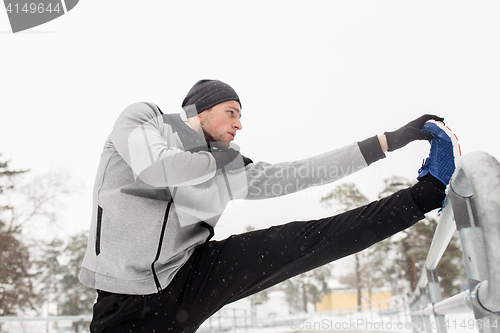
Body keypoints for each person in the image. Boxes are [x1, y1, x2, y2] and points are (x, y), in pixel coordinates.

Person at [80, 79, 460, 333]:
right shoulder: (143, 119)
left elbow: (301, 173)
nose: (239, 124)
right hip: (124, 301)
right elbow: (158, 165)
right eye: (231, 111)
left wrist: (386, 143)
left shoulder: (226, 162)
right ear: (199, 109)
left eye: (241, 115)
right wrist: (219, 164)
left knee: (307, 241)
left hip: (189, 274)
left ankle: (425, 195)